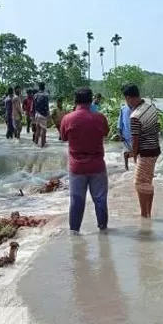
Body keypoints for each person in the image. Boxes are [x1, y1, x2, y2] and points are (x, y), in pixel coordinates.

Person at [59, 87, 109, 233]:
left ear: (75, 101)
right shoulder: (100, 118)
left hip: (77, 167)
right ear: (91, 99)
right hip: (97, 165)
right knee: (100, 199)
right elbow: (105, 132)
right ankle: (103, 230)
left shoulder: (68, 119)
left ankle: (74, 233)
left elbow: (63, 137)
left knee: (77, 201)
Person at [124, 84, 161, 218]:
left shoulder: (135, 115)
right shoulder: (151, 108)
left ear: (128, 98)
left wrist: (134, 154)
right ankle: (147, 213)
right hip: (155, 149)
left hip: (145, 152)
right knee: (147, 182)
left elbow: (135, 139)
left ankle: (144, 214)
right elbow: (157, 130)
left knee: (139, 183)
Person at [34, 82, 50, 148]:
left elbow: (34, 105)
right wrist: (48, 115)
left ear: (39, 87)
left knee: (37, 130)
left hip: (37, 114)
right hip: (43, 114)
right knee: (43, 130)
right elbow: (46, 106)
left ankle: (35, 145)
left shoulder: (35, 95)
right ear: (44, 87)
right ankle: (42, 147)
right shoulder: (45, 95)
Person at [117, 102, 132, 171]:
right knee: (126, 153)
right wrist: (120, 134)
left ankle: (139, 168)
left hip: (136, 135)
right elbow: (120, 123)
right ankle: (126, 167)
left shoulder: (137, 109)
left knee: (138, 152)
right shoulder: (123, 109)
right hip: (126, 135)